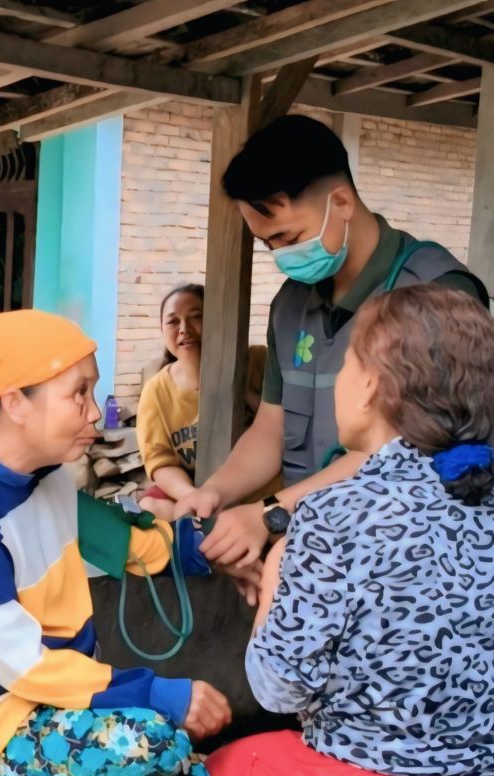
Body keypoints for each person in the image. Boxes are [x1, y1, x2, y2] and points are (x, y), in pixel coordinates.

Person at [0, 310, 231, 776]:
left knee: (170, 728)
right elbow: (26, 667)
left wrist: (214, 549)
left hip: (42, 694)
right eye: (78, 393)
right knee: (157, 738)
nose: (94, 411)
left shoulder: (44, 476)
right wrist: (157, 691)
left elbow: (123, 542)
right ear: (15, 402)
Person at [207, 284, 494, 776]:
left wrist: (274, 584)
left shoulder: (332, 515)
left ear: (370, 386)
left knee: (226, 765)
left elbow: (278, 688)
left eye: (344, 365)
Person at [175, 115, 488, 582]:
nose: (281, 256)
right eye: (268, 244)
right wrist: (215, 492)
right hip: (311, 557)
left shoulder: (437, 296)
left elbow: (411, 450)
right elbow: (271, 427)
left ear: (340, 202)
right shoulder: (290, 305)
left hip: (407, 571)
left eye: (289, 238)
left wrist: (270, 514)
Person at [137, 284, 278, 520]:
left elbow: (277, 424)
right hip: (201, 493)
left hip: (261, 495)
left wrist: (239, 387)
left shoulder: (258, 362)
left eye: (196, 317)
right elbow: (160, 462)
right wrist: (196, 498)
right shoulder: (156, 392)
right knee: (151, 508)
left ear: (216, 320)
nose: (184, 329)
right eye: (173, 321)